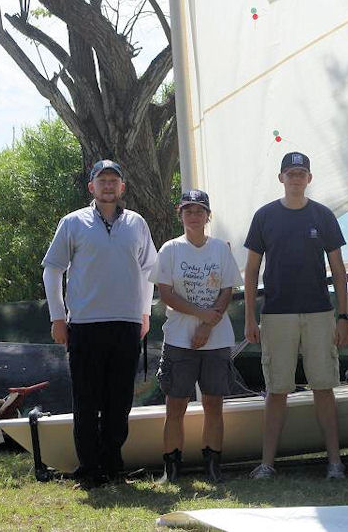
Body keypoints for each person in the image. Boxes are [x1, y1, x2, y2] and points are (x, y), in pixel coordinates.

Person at [42, 159, 156, 487]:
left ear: (122, 188)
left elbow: (150, 270)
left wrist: (144, 312)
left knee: (119, 401)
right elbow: (52, 270)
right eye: (102, 180)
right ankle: (89, 470)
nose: (108, 185)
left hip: (126, 324)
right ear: (91, 186)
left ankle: (112, 466)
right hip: (85, 326)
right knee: (87, 400)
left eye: (114, 181)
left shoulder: (137, 223)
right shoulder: (73, 223)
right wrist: (58, 317)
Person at [244, 152, 348, 479]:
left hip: (319, 311)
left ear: (309, 178)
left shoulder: (322, 215)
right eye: (290, 173)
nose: (295, 178)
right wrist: (250, 317)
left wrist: (343, 316)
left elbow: (338, 268)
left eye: (301, 173)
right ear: (281, 178)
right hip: (276, 313)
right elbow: (250, 272)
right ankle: (267, 464)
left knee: (323, 386)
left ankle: (335, 463)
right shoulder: (264, 216)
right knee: (277, 389)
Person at [150, 189, 243, 483]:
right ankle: (172, 468)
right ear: (180, 214)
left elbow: (228, 288)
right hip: (179, 339)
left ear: (208, 216)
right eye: (188, 210)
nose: (194, 216)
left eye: (199, 211)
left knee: (213, 404)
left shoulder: (219, 249)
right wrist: (200, 315)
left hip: (216, 340)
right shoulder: (170, 250)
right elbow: (166, 293)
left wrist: (208, 325)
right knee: (175, 405)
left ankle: (213, 466)